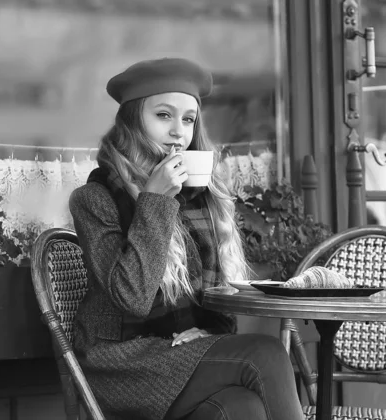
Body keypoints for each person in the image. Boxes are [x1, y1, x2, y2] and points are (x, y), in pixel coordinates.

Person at [69, 57, 304, 420]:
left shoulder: (199, 200)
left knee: (240, 408)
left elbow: (216, 296)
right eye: (163, 116)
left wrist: (207, 333)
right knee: (267, 354)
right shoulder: (95, 199)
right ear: (133, 121)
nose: (179, 131)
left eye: (188, 119)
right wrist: (156, 201)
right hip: (121, 361)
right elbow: (132, 297)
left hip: (181, 353)